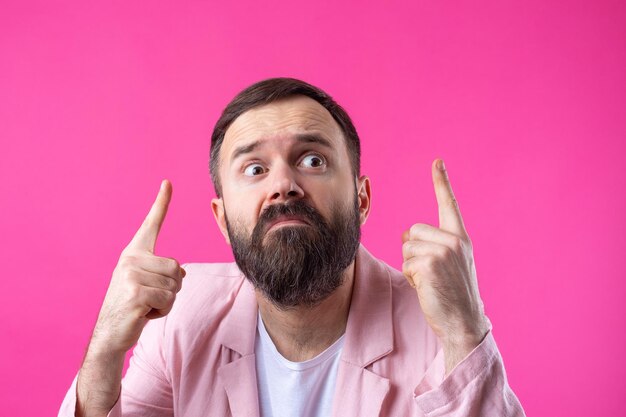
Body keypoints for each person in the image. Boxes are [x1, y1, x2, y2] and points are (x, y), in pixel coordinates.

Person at [59, 78, 525, 417]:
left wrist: (466, 332)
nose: (284, 184)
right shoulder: (180, 319)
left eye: (312, 160)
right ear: (222, 220)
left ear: (361, 200)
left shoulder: (439, 329)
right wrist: (104, 350)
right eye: (255, 169)